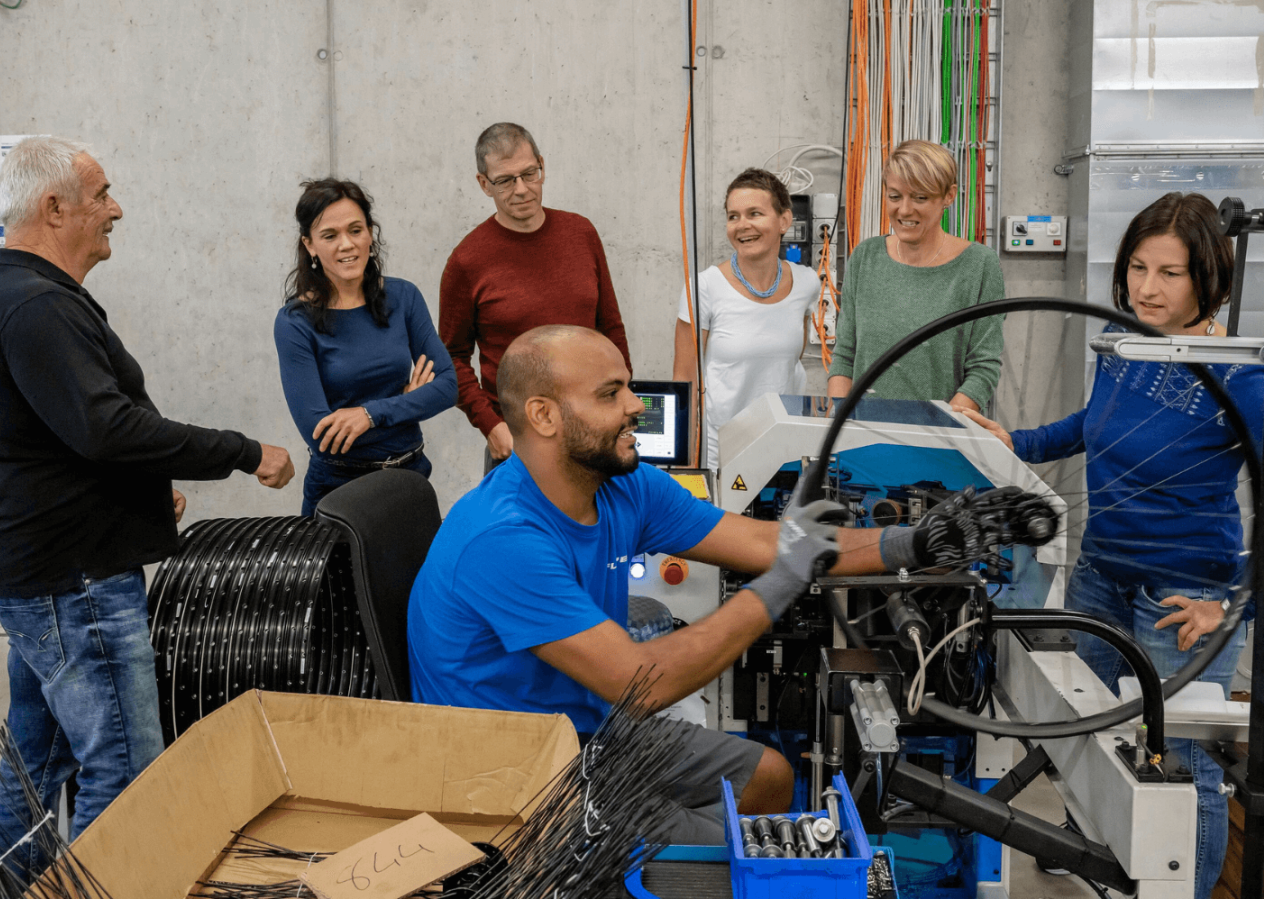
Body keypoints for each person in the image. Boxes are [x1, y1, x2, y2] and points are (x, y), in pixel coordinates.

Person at [406, 324, 974, 844]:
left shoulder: (623, 486)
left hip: (589, 737)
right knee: (732, 851)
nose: (635, 408)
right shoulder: (502, 537)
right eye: (610, 395)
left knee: (768, 778)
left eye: (627, 388)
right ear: (544, 415)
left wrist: (919, 542)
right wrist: (779, 585)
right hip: (514, 778)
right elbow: (641, 685)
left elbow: (766, 542)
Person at [956, 192, 1264, 899]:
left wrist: (1235, 604)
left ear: (1207, 281)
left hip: (1182, 597)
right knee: (1096, 739)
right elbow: (1094, 426)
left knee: (1182, 768)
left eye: (1170, 273)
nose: (1146, 287)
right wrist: (1019, 441)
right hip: (1101, 574)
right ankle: (1097, 858)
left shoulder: (1239, 375)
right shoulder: (1125, 347)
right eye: (1137, 267)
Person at [0, 137, 295, 876]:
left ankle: (18, 889)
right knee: (124, 770)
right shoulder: (35, 307)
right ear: (54, 208)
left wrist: (141, 494)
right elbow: (104, 425)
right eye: (101, 194)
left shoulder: (28, 297)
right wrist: (244, 450)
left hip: (49, 573)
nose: (116, 209)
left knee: (36, 763)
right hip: (75, 584)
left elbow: (63, 437)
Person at [439, 122, 632, 467]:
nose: (522, 189)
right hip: (519, 444)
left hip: (594, 432)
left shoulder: (581, 233)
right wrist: (491, 425)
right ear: (484, 184)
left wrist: (620, 400)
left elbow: (611, 328)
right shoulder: (467, 261)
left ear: (542, 165)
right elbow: (451, 358)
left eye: (530, 173)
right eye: (505, 180)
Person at [274, 178, 456, 516]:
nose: (346, 244)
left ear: (370, 233)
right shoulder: (295, 323)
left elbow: (447, 387)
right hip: (339, 493)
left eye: (355, 230)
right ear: (310, 245)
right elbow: (321, 436)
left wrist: (370, 415)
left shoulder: (404, 297)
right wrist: (408, 403)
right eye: (330, 236)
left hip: (410, 482)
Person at [828, 140, 1004, 411]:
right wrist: (837, 420)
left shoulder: (979, 265)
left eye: (920, 197)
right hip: (863, 437)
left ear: (949, 195)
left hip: (941, 437)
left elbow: (983, 367)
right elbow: (845, 355)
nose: (905, 210)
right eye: (895, 196)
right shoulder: (866, 257)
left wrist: (944, 428)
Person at [673, 168, 820, 469]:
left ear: (784, 221)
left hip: (784, 449)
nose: (742, 226)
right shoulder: (704, 287)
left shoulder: (807, 283)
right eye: (733, 216)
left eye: (755, 213)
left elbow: (792, 361)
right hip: (721, 453)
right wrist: (686, 465)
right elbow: (684, 382)